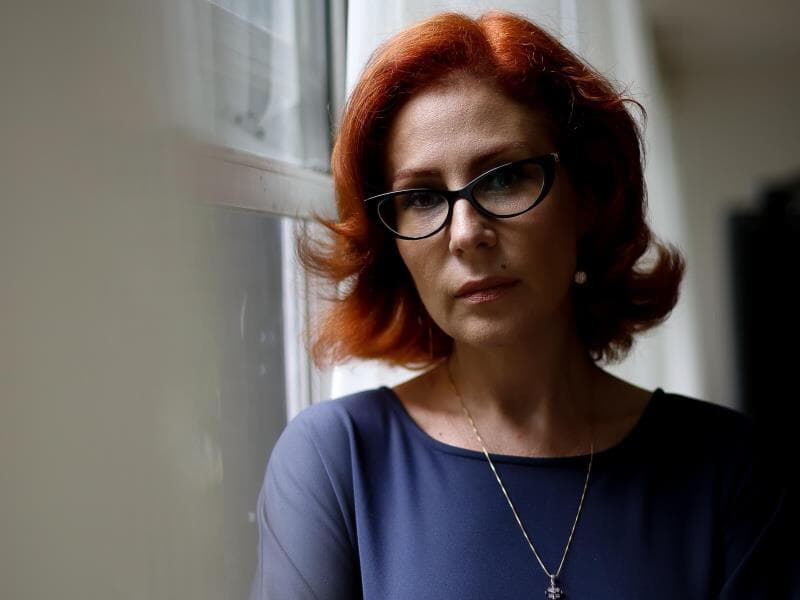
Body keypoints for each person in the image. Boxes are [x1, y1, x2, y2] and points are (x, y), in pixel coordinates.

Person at [250, 11, 798, 600]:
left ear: (587, 197)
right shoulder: (335, 462)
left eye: (503, 178)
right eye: (422, 197)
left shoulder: (728, 470)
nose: (466, 234)